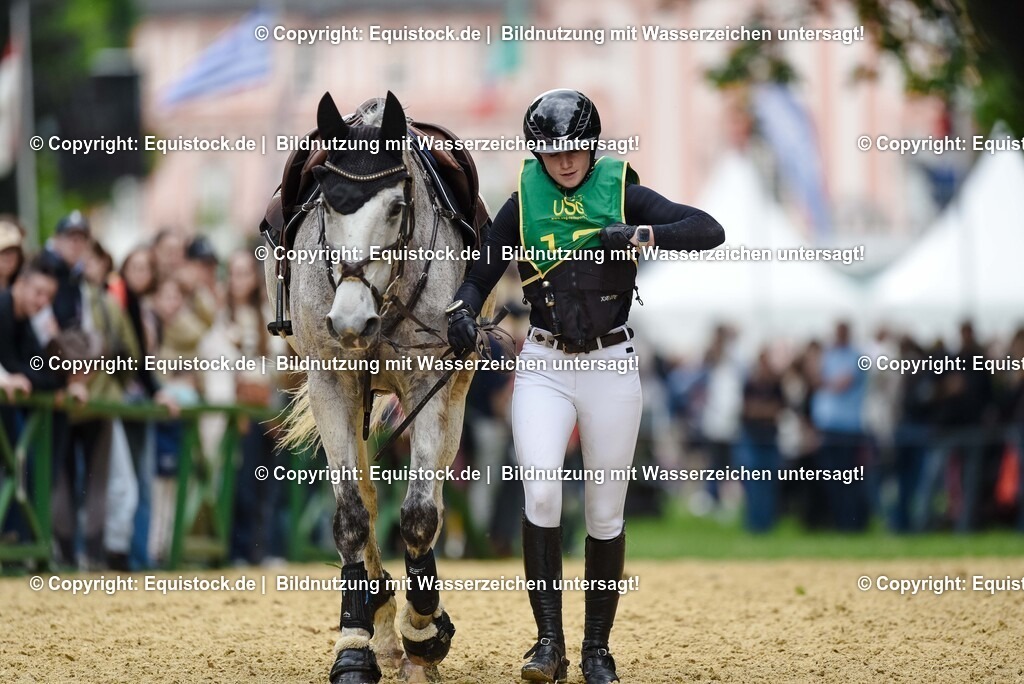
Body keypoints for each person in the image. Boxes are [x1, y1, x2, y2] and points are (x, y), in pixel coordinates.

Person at [446, 89, 724, 683]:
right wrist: (464, 310)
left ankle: (597, 648)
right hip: (544, 363)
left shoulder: (620, 189)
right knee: (542, 495)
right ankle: (548, 644)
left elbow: (708, 229)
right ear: (538, 154)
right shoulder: (523, 200)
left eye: (576, 149)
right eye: (553, 152)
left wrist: (638, 236)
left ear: (592, 147)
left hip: (610, 362)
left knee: (603, 512)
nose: (566, 161)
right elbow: (481, 272)